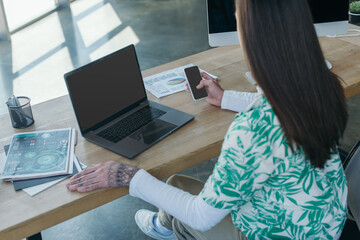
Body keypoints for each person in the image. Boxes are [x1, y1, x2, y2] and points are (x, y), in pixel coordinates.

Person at [66, 0, 349, 239]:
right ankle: (165, 223)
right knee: (180, 190)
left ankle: (166, 226)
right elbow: (279, 108)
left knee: (179, 193)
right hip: (324, 222)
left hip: (271, 232)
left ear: (253, 35)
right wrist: (227, 99)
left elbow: (201, 216)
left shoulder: (252, 130)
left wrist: (128, 176)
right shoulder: (323, 84)